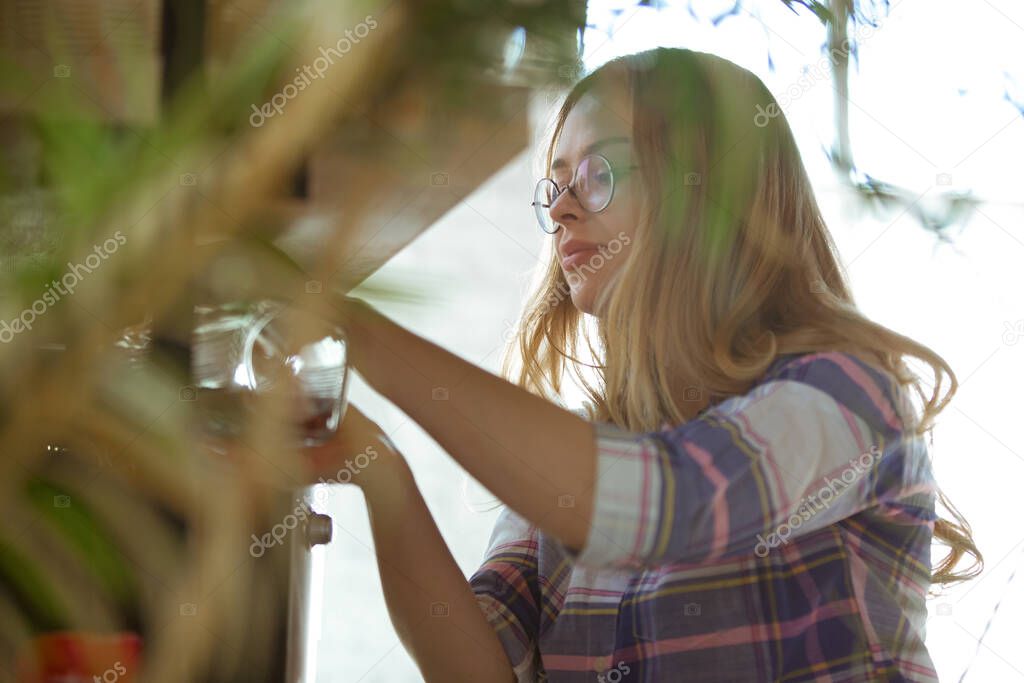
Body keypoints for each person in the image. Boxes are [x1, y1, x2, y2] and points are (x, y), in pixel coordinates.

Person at [309, 47, 982, 682]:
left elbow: (676, 499)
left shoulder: (844, 396)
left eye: (600, 173)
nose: (564, 207)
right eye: (557, 184)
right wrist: (378, 466)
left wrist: (356, 331)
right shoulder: (565, 469)